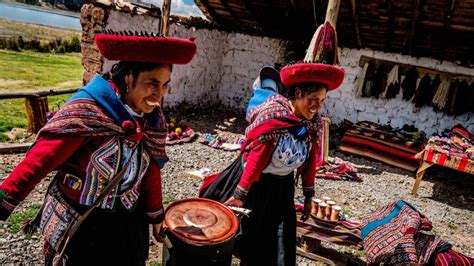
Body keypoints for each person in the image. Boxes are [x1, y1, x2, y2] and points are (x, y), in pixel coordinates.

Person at [0, 30, 196, 265]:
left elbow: (151, 169)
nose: (161, 94)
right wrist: (5, 201)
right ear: (128, 78)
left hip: (128, 226)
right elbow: (39, 161)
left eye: (165, 85)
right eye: (152, 84)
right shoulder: (89, 112)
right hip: (84, 227)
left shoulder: (152, 121)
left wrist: (155, 216)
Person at [201, 62, 344, 266]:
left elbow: (311, 159)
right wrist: (241, 195)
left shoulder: (312, 123)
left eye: (322, 101)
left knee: (279, 243)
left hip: (282, 187)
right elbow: (257, 158)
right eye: (313, 99)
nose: (317, 106)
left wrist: (309, 195)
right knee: (247, 239)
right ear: (298, 93)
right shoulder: (275, 116)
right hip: (255, 183)